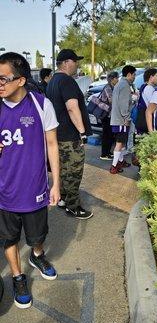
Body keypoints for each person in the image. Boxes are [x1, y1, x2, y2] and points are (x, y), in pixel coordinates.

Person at [0, 52, 60, 309]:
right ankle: (17, 276)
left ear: (21, 80)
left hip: (35, 188)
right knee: (9, 239)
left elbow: (52, 144)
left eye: (3, 79)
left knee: (37, 235)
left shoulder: (41, 104)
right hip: (4, 192)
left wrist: (56, 183)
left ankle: (37, 255)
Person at [47, 49, 93, 219]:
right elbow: (72, 107)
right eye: (75, 61)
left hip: (57, 136)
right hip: (70, 137)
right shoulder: (67, 81)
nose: (77, 64)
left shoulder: (52, 81)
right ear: (66, 62)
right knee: (73, 171)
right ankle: (73, 207)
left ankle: (64, 199)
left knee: (64, 170)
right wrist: (82, 132)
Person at [110, 65, 136, 174]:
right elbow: (124, 104)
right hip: (121, 120)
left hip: (116, 118)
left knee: (120, 142)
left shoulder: (119, 84)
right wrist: (127, 117)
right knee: (120, 143)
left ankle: (120, 161)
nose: (134, 77)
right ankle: (114, 166)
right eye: (134, 75)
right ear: (129, 74)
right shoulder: (125, 86)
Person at [100, 71, 119, 160]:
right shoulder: (108, 87)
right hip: (106, 115)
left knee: (110, 134)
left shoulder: (113, 87)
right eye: (116, 78)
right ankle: (104, 154)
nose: (117, 80)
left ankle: (108, 152)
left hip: (110, 115)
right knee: (106, 134)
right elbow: (112, 100)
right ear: (112, 79)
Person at [135, 68, 157, 134]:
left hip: (141, 120)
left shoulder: (143, 87)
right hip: (145, 122)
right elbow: (154, 107)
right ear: (151, 77)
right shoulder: (149, 88)